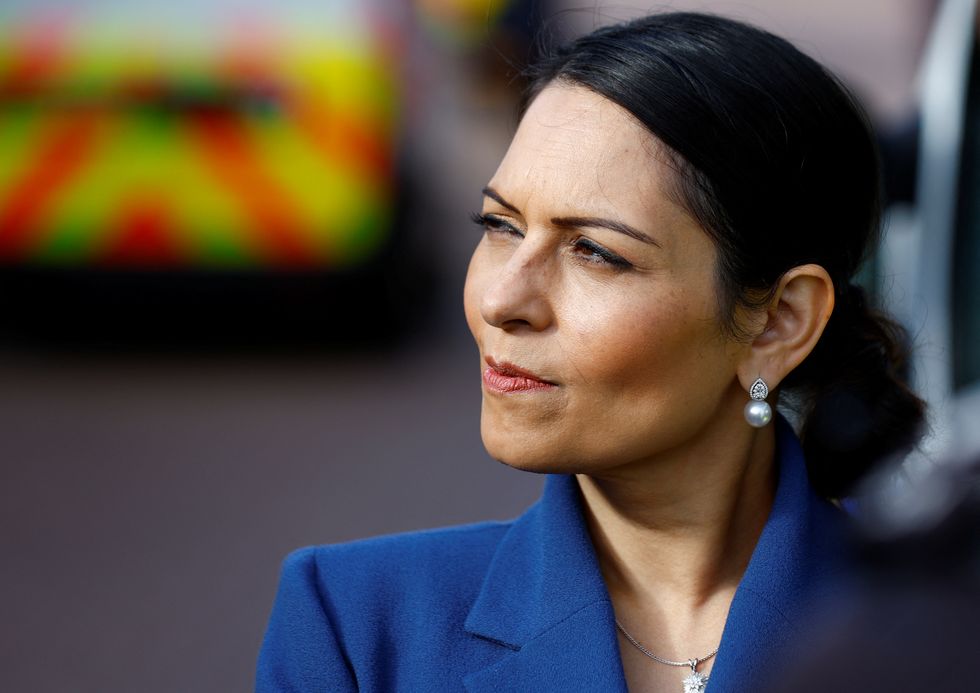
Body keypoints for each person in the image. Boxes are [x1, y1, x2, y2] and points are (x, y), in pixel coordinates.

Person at [255, 12, 925, 693]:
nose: (502, 299)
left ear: (780, 321)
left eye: (595, 251)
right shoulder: (358, 630)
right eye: (500, 225)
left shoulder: (939, 626)